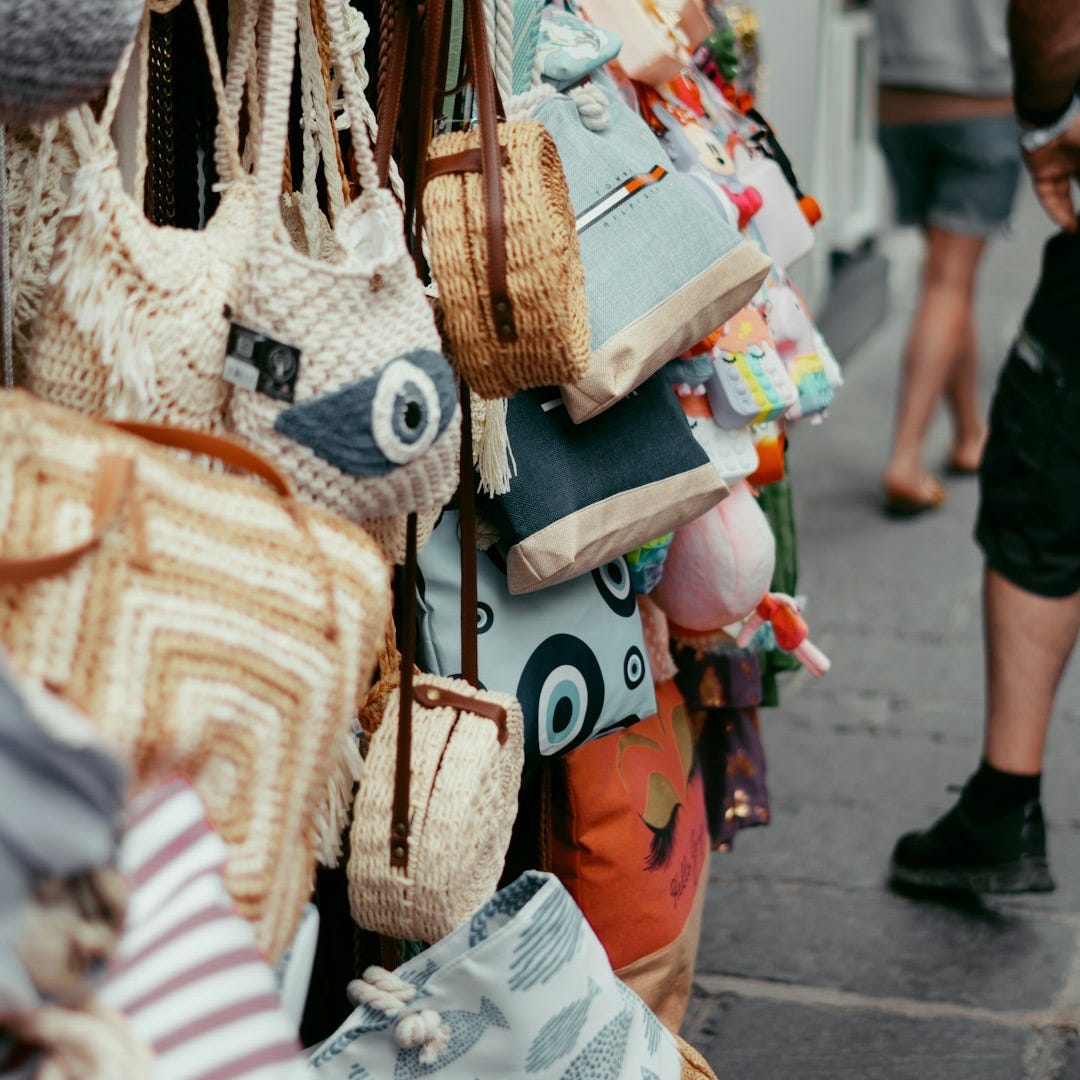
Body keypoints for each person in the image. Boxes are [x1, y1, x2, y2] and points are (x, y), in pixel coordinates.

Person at [889, 0, 1080, 893]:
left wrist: (1044, 122)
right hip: (961, 110)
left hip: (911, 101)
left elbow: (1054, 19)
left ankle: (1002, 808)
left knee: (1045, 482)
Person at [874, 0, 1023, 515]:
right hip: (984, 99)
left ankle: (969, 434)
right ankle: (905, 460)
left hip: (899, 103)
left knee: (949, 277)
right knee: (948, 280)